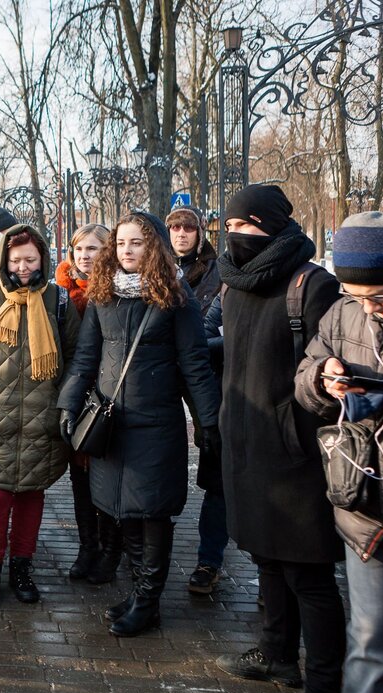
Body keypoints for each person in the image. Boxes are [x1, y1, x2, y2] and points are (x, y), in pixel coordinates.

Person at [213, 184, 347, 693]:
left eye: (245, 225)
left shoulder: (311, 284)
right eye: (229, 225)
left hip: (295, 452)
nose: (235, 235)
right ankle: (276, 653)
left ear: (269, 225)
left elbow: (327, 368)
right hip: (245, 444)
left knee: (308, 574)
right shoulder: (232, 282)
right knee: (265, 554)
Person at [57, 212, 220, 638]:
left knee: (152, 513)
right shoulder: (103, 293)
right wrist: (68, 405)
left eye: (137, 242)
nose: (126, 250)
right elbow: (86, 357)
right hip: (112, 424)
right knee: (123, 511)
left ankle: (148, 602)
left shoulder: (176, 296)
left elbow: (195, 364)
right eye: (121, 242)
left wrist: (209, 421)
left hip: (156, 424)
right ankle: (138, 594)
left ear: (154, 247)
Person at [295, 212, 383, 693]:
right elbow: (304, 374)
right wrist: (322, 381)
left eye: (378, 297)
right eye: (356, 295)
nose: (367, 307)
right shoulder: (341, 312)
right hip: (366, 510)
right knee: (370, 643)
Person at [0, 225, 80, 607]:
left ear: (43, 258)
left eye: (30, 259)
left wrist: (61, 401)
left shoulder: (58, 300)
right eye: (15, 260)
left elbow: (77, 356)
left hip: (43, 419)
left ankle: (22, 568)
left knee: (30, 496)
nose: (23, 267)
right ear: (5, 261)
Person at [165, 205, 228, 595]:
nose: (181, 233)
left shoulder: (219, 272)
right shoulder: (157, 266)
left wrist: (203, 345)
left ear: (200, 232)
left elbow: (210, 330)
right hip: (166, 373)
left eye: (188, 227)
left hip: (210, 375)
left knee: (218, 466)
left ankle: (211, 559)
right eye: (175, 227)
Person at [54, 224, 121, 584]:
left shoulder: (117, 289)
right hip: (74, 391)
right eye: (79, 249)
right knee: (79, 476)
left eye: (93, 249)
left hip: (109, 392)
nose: (84, 256)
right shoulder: (60, 293)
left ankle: (111, 549)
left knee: (106, 474)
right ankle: (87, 547)